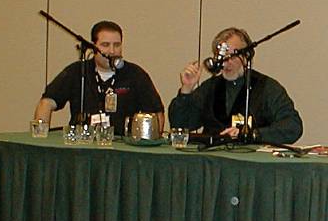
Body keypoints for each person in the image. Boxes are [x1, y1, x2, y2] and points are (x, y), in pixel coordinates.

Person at [168, 27, 302, 144]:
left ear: (246, 56)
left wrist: (253, 134)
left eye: (232, 56)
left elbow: (293, 127)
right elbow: (180, 126)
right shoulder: (210, 87)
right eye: (222, 58)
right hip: (212, 162)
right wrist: (186, 90)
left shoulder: (267, 88)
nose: (227, 63)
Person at [34, 20, 164, 135]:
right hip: (84, 144)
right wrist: (40, 136)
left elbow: (157, 113)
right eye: (105, 45)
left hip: (122, 147)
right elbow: (47, 102)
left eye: (117, 45)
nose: (112, 51)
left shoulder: (135, 74)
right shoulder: (77, 71)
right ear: (93, 46)